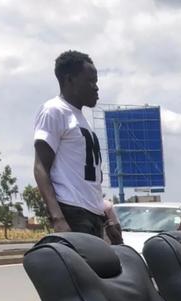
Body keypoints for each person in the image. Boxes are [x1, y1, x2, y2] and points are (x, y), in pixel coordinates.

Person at [33, 50, 105, 236]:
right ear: (69, 80)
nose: (96, 87)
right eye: (90, 81)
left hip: (93, 213)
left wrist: (106, 214)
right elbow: (41, 167)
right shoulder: (54, 111)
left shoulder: (80, 117)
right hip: (73, 212)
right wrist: (58, 218)